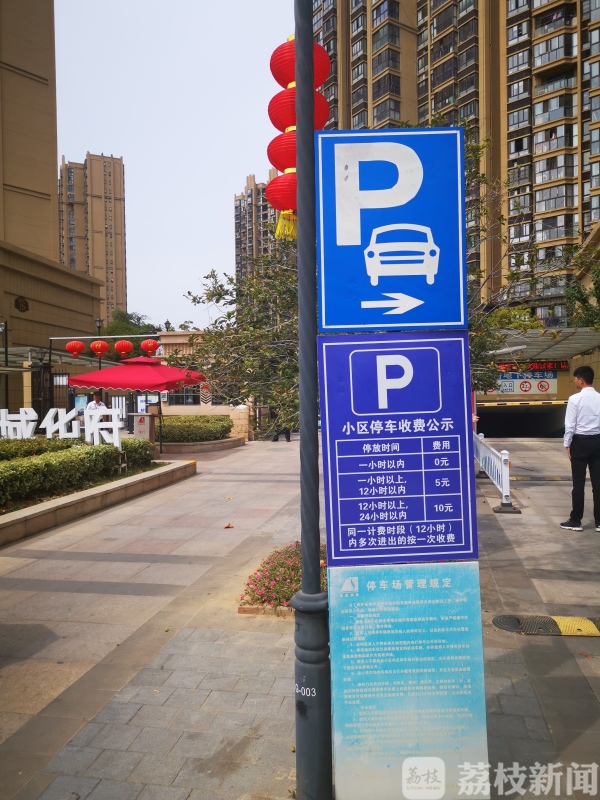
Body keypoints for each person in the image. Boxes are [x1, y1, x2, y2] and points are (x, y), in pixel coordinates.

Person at [561, 365, 600, 531]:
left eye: (575, 379)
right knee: (598, 483)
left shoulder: (574, 399)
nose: (575, 381)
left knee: (578, 483)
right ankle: (599, 522)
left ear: (581, 380)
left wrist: (567, 443)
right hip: (597, 441)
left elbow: (570, 424)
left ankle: (576, 521)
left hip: (580, 442)